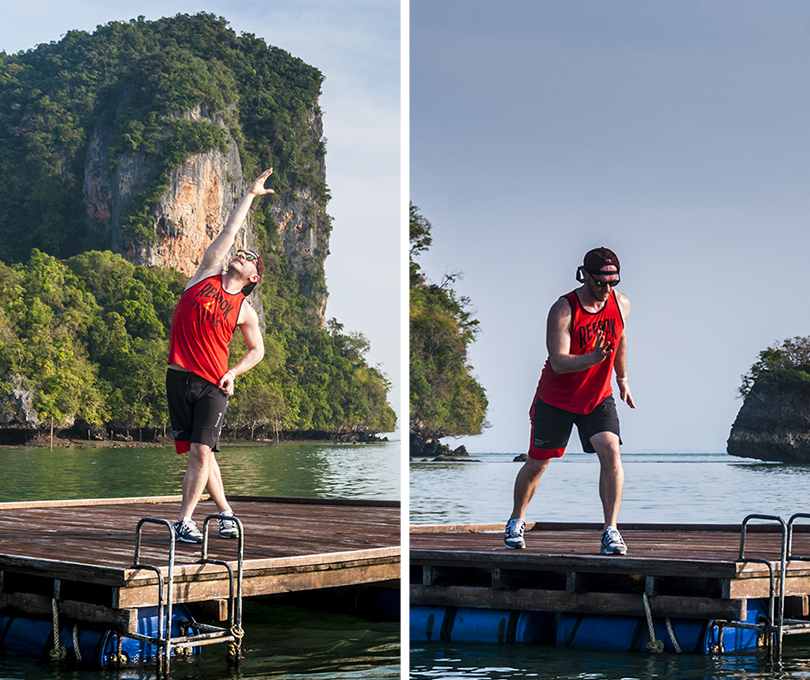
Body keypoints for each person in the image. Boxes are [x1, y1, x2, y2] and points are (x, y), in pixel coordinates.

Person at [504, 247, 635, 554]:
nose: (607, 289)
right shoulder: (563, 310)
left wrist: (622, 379)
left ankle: (610, 530)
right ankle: (515, 520)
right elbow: (559, 362)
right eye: (601, 282)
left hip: (597, 398)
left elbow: (621, 338)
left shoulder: (621, 304)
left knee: (611, 450)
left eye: (613, 282)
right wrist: (592, 358)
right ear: (584, 275)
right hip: (556, 399)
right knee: (538, 462)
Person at [166, 169, 272, 543]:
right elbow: (229, 231)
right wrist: (250, 194)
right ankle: (226, 513)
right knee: (203, 452)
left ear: (253, 277)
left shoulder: (244, 311)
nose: (240, 254)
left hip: (214, 385)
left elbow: (257, 350)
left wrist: (234, 373)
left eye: (248, 257)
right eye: (239, 252)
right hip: (178, 379)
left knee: (200, 450)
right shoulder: (204, 275)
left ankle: (183, 521)